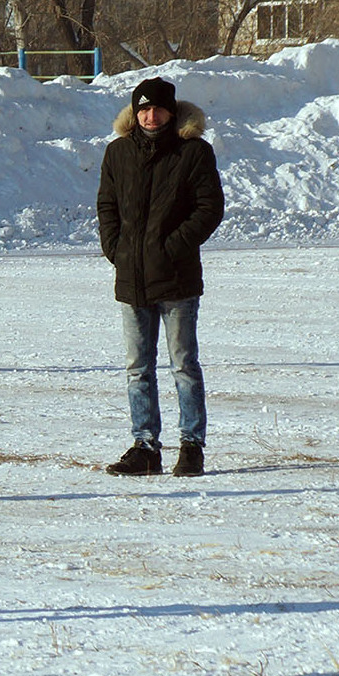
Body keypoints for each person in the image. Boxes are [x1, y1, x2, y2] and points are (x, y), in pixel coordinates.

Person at [96, 76, 223, 478]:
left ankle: (191, 446)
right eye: (144, 109)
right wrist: (116, 250)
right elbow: (107, 207)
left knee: (183, 364)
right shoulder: (118, 153)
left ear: (171, 111)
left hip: (177, 278)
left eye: (158, 109)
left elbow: (209, 208)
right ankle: (145, 447)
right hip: (132, 277)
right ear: (135, 113)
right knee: (138, 367)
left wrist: (172, 247)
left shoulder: (194, 152)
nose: (151, 116)